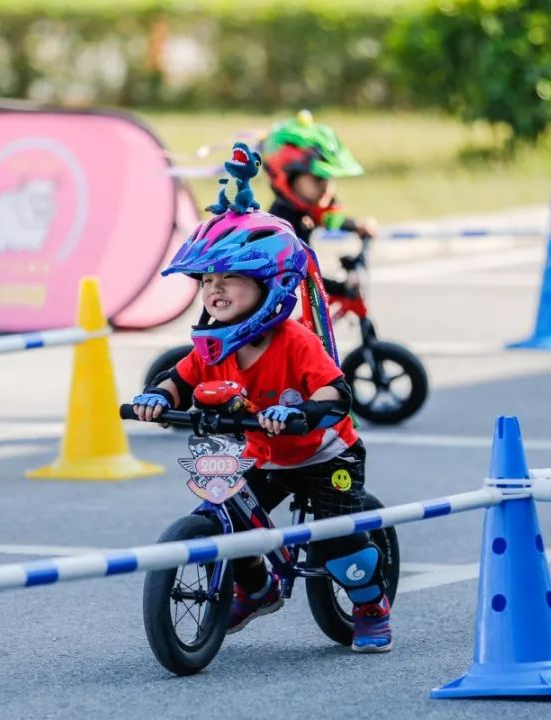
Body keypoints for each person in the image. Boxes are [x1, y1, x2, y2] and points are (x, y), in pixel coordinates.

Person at [132, 193, 393, 652]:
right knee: (224, 515)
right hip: (262, 454)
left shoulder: (296, 342)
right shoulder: (213, 345)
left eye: (231, 277)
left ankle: (370, 608)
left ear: (272, 284)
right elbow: (179, 378)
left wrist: (303, 412)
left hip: (324, 453)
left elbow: (335, 394)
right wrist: (157, 397)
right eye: (207, 279)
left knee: (337, 543)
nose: (215, 288)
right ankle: (256, 589)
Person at [261, 110, 377, 295]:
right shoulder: (284, 226)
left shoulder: (304, 208)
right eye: (318, 177)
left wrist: (356, 225)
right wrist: (341, 288)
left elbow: (327, 218)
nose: (327, 186)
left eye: (329, 177)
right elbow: (305, 276)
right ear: (289, 177)